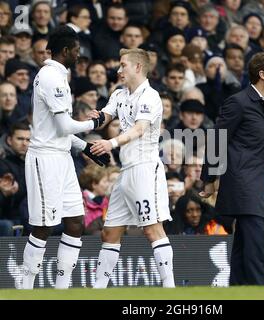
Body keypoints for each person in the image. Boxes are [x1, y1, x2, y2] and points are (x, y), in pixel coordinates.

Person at [21, 26, 109, 290]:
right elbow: (63, 127)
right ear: (67, 50)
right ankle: (25, 288)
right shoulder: (50, 77)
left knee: (75, 222)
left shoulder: (58, 76)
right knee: (44, 227)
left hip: (62, 157)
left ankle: (62, 289)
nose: (79, 55)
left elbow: (56, 128)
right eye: (76, 50)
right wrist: (95, 123)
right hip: (45, 159)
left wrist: (85, 148)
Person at [88, 48, 175, 288]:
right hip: (126, 172)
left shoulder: (151, 96)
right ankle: (98, 290)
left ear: (137, 67)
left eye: (123, 65)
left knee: (152, 230)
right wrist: (93, 120)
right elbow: (105, 116)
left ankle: (171, 289)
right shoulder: (119, 94)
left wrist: (110, 143)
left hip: (145, 169)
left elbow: (139, 129)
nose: (118, 70)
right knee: (110, 232)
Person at [200, 51, 264, 285]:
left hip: (258, 181)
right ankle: (260, 290)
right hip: (241, 182)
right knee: (255, 241)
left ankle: (237, 288)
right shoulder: (238, 102)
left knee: (243, 243)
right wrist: (209, 178)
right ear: (262, 75)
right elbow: (217, 140)